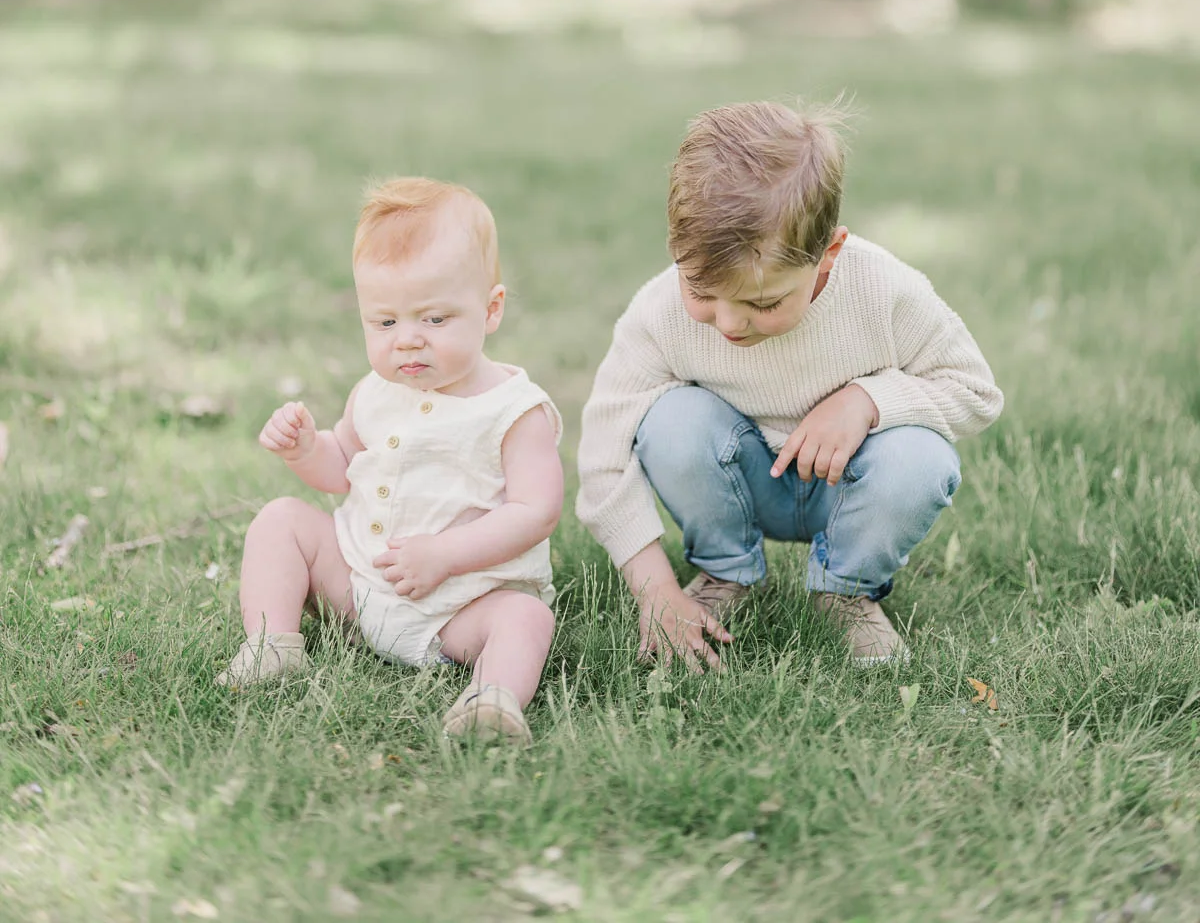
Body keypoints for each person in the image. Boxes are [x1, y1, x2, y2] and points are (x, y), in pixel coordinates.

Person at [576, 101, 1002, 670]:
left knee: (921, 456)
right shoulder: (658, 315)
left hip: (848, 480)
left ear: (827, 256)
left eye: (763, 302)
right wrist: (655, 590)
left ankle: (846, 592)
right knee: (670, 420)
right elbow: (603, 457)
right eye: (701, 290)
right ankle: (727, 573)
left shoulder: (884, 292)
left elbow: (975, 392)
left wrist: (869, 401)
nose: (728, 324)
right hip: (743, 478)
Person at [217, 177, 563, 745]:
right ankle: (270, 643)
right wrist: (308, 450)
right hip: (360, 587)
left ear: (490, 309)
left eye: (434, 319)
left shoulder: (513, 410)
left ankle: (490, 698)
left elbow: (536, 511)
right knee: (281, 519)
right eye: (385, 322)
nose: (407, 341)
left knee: (525, 618)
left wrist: (445, 555)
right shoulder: (375, 392)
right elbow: (343, 466)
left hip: (461, 608)